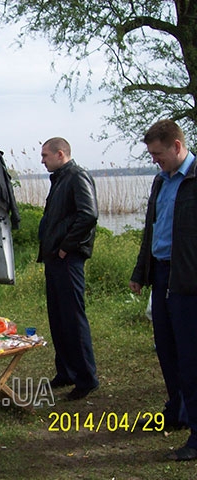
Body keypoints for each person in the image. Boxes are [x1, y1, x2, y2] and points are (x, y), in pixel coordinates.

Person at [129, 119, 197, 461]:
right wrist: (141, 271)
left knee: (191, 356)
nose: (155, 160)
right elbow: (151, 229)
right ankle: (177, 411)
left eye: (158, 154)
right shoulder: (160, 181)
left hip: (189, 279)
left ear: (176, 146)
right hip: (161, 272)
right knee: (167, 349)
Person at [37, 137, 99, 401]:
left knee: (73, 318)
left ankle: (86, 378)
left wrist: (66, 246)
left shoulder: (76, 176)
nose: (42, 160)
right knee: (58, 317)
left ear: (60, 154)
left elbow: (89, 214)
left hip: (68, 259)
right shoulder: (60, 178)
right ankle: (65, 372)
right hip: (54, 259)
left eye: (45, 155)